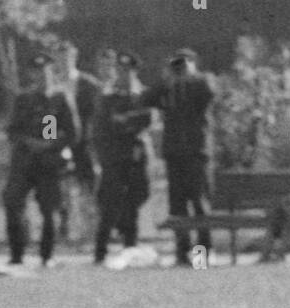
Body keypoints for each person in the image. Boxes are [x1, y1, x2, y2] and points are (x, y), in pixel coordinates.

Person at [138, 49, 215, 267]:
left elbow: (208, 94)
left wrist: (189, 75)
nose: (179, 69)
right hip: (175, 154)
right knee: (178, 207)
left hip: (196, 153)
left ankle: (202, 255)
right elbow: (146, 99)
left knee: (199, 206)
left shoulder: (201, 82)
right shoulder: (168, 87)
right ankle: (182, 254)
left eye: (182, 64)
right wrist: (166, 80)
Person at [3, 52, 78, 268]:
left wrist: (51, 144)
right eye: (37, 72)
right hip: (25, 161)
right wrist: (28, 141)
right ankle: (17, 253)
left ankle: (47, 255)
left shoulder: (58, 99)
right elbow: (13, 131)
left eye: (45, 72)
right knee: (13, 202)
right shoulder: (24, 99)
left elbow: (72, 132)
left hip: (49, 163)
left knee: (49, 209)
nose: (42, 76)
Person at [91, 52, 152, 264]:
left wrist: (52, 141)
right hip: (103, 155)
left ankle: (129, 246)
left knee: (132, 200)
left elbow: (146, 120)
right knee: (107, 202)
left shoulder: (81, 85)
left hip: (132, 157)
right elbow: (98, 127)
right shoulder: (102, 94)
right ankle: (100, 250)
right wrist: (51, 142)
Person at [52, 39, 102, 242]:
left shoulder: (88, 84)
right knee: (58, 187)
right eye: (59, 57)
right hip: (59, 143)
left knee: (90, 183)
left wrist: (90, 138)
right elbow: (48, 116)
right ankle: (64, 228)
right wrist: (52, 140)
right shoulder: (52, 85)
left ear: (74, 57)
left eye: (67, 56)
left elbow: (96, 115)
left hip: (85, 144)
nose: (63, 61)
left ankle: (93, 229)